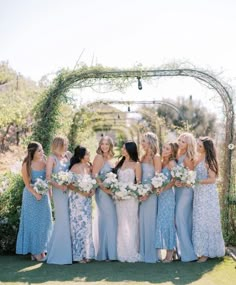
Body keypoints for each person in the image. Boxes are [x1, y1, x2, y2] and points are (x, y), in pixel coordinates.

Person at [16, 142, 52, 261]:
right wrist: (36, 193)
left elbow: (48, 178)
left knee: (45, 222)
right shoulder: (27, 164)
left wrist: (49, 194)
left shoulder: (45, 161)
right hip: (31, 197)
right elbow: (27, 184)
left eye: (42, 150)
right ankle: (35, 253)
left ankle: (42, 250)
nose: (42, 152)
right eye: (39, 151)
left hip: (44, 196)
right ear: (32, 152)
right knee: (34, 224)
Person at [192, 137, 225, 262]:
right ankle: (199, 250)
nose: (198, 147)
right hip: (198, 194)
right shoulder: (197, 158)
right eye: (198, 145)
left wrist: (196, 181)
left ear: (206, 148)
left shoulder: (209, 160)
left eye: (200, 146)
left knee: (205, 220)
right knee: (198, 220)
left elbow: (212, 179)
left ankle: (205, 253)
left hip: (207, 194)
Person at [46, 136, 72, 265]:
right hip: (59, 192)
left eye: (66, 145)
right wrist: (60, 185)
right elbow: (48, 178)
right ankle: (59, 254)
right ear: (58, 145)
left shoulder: (67, 156)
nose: (66, 147)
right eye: (64, 145)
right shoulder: (52, 158)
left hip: (69, 192)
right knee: (62, 220)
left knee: (69, 219)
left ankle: (70, 252)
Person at [114, 141, 141, 262]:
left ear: (130, 150)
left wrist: (129, 193)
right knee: (121, 223)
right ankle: (121, 251)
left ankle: (131, 250)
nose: (122, 150)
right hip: (119, 199)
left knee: (131, 223)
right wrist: (117, 192)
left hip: (131, 199)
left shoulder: (136, 164)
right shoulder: (119, 163)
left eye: (124, 148)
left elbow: (138, 184)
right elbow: (116, 181)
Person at [68, 145, 95, 263]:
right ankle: (78, 255)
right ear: (81, 156)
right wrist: (81, 192)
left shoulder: (89, 167)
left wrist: (92, 190)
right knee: (78, 225)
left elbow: (93, 181)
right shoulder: (74, 167)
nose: (89, 156)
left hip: (87, 200)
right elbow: (69, 184)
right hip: (77, 200)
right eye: (87, 154)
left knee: (87, 225)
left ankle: (87, 253)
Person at [92, 136, 117, 261]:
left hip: (110, 193)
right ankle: (107, 253)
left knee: (109, 220)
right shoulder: (99, 157)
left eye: (107, 144)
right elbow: (95, 175)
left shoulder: (111, 159)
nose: (104, 146)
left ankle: (109, 252)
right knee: (110, 219)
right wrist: (105, 189)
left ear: (110, 145)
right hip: (102, 193)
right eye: (102, 144)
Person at [139, 132, 161, 263]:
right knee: (142, 221)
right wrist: (140, 191)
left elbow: (157, 178)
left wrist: (148, 192)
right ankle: (143, 252)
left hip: (151, 196)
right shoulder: (142, 157)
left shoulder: (156, 157)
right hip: (141, 195)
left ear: (151, 142)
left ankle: (151, 254)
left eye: (144, 141)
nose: (142, 144)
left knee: (150, 222)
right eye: (141, 141)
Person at [175, 132, 197, 262]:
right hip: (177, 191)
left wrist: (182, 182)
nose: (180, 143)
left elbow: (192, 178)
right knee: (180, 220)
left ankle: (188, 254)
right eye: (179, 140)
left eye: (183, 141)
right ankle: (181, 251)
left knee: (181, 219)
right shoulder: (177, 154)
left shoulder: (188, 157)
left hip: (186, 192)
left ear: (188, 144)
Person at [155, 142, 178, 263]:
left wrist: (164, 189)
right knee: (162, 222)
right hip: (160, 196)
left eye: (167, 149)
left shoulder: (171, 163)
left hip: (168, 196)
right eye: (164, 147)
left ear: (172, 152)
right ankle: (169, 252)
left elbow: (175, 180)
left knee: (168, 223)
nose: (164, 150)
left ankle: (170, 254)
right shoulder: (162, 161)